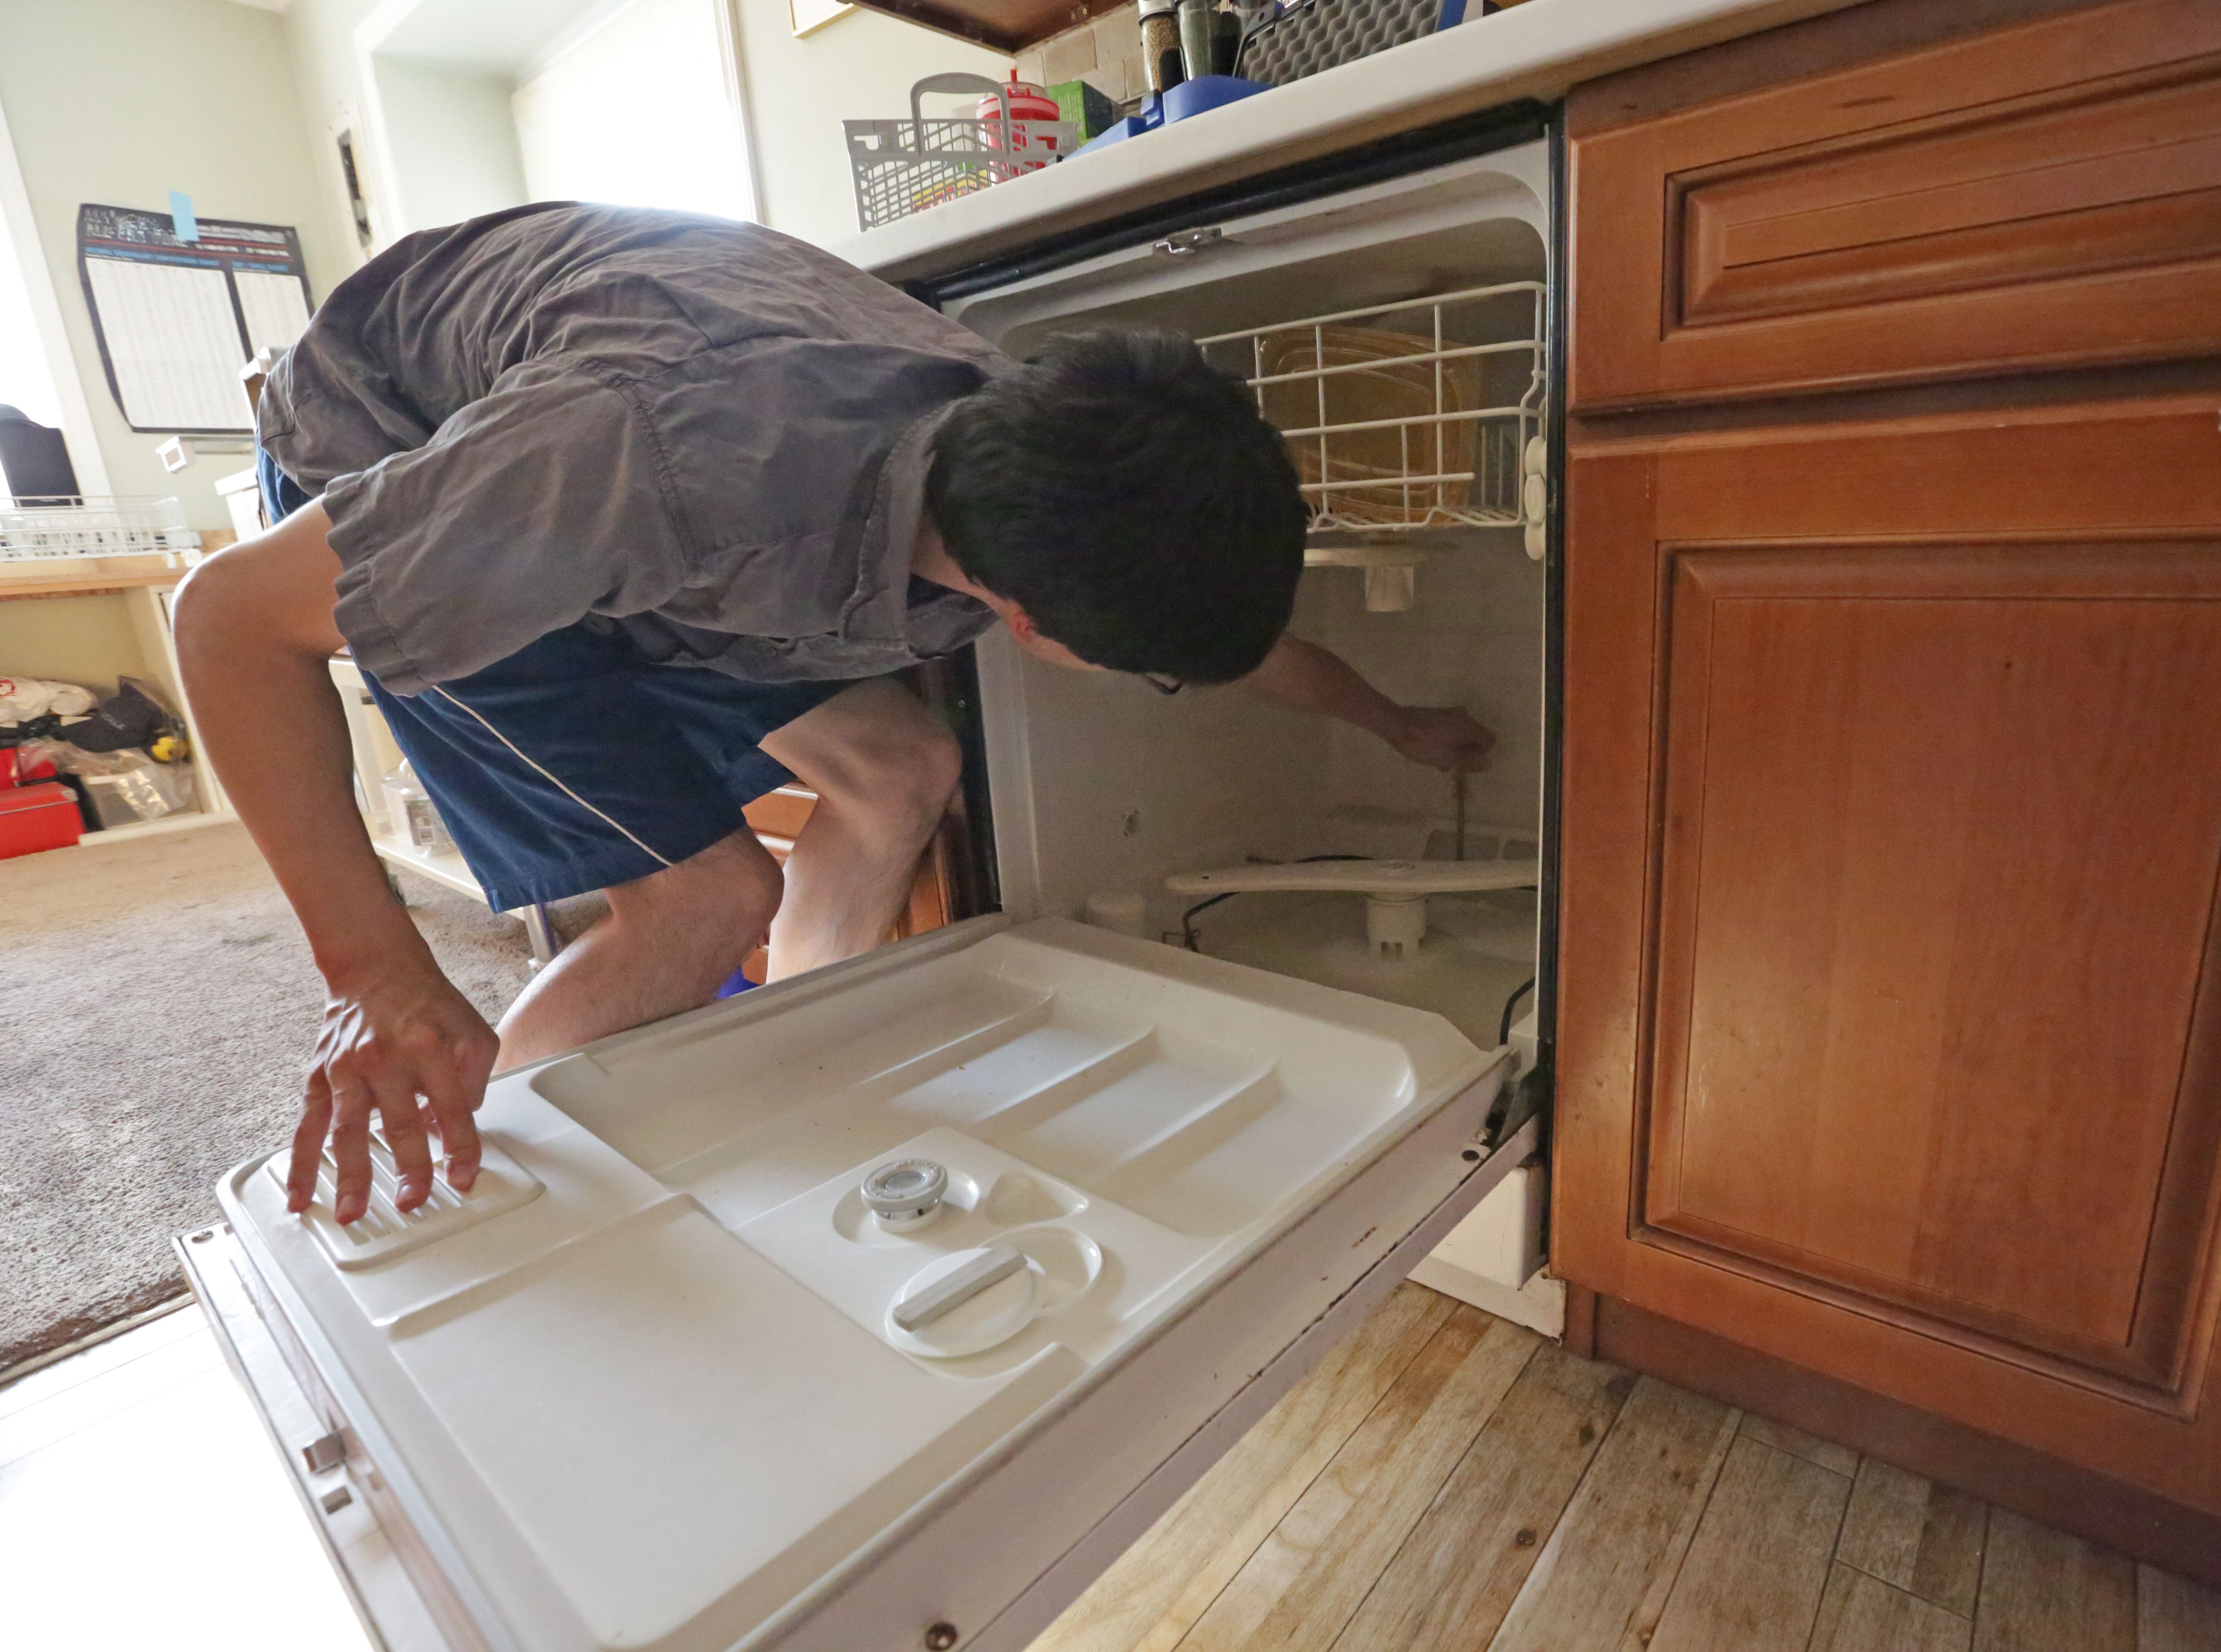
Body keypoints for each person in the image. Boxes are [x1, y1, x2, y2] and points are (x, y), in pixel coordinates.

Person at [174, 202, 1494, 1231]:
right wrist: (378, 973)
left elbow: (1231, 643)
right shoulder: (652, 464)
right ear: (1027, 620)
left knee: (903, 766)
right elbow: (227, 623)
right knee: (706, 899)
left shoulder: (1029, 451)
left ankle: (791, 1086)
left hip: (640, 480)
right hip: (400, 445)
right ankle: (471, 1210)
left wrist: (1396, 725)